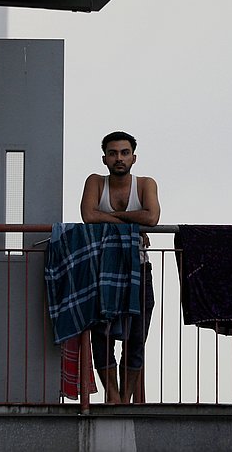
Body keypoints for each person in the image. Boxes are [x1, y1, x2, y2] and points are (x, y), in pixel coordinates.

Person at [80, 131, 160, 403]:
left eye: (124, 153)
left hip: (138, 270)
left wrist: (110, 217)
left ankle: (124, 399)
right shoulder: (95, 182)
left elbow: (151, 216)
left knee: (136, 338)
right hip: (100, 272)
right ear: (104, 159)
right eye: (113, 153)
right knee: (101, 337)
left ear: (134, 158)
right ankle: (112, 397)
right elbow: (89, 215)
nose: (119, 158)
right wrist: (131, 226)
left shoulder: (145, 184)